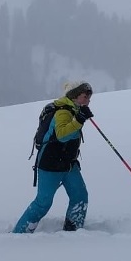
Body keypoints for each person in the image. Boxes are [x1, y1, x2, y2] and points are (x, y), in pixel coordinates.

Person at [13, 81, 93, 233]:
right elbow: (62, 135)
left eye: (89, 97)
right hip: (50, 165)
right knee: (43, 203)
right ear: (75, 96)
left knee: (80, 196)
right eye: (85, 96)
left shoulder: (75, 109)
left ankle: (74, 230)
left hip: (68, 164)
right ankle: (19, 233)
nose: (88, 100)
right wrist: (79, 120)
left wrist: (79, 118)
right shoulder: (63, 111)